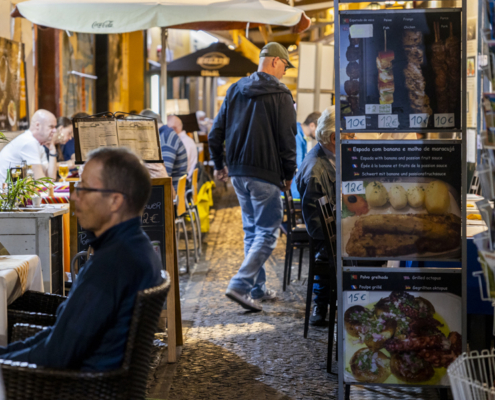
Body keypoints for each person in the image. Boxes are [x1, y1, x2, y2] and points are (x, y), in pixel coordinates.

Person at [0, 147, 162, 370]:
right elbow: (60, 337)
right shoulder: (136, 247)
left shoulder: (112, 265)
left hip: (71, 385)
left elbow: (56, 354)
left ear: (115, 201)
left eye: (83, 188)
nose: (75, 196)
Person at [209, 42, 297, 312]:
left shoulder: (234, 90)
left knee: (252, 230)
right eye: (284, 65)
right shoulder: (281, 94)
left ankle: (256, 289)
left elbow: (215, 133)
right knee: (268, 232)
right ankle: (240, 284)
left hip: (238, 174)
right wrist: (288, 174)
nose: (284, 72)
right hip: (265, 174)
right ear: (273, 62)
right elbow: (287, 139)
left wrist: (219, 164)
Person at [296, 106, 354, 326]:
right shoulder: (316, 170)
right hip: (328, 240)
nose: (353, 139)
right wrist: (347, 225)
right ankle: (342, 300)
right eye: (349, 135)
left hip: (338, 227)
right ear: (333, 137)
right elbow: (318, 228)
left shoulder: (330, 155)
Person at [0, 109, 57, 183]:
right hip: (7, 193)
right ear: (37, 125)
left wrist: (52, 150)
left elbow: (51, 179)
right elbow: (41, 183)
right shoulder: (29, 142)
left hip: (18, 192)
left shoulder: (37, 144)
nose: (55, 130)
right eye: (51, 127)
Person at [140, 109, 187, 190]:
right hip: (173, 191)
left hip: (171, 195)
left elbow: (164, 176)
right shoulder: (166, 134)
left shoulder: (166, 139)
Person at [291, 111, 321, 200]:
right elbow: (299, 165)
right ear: (312, 125)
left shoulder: (301, 135)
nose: (320, 133)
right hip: (293, 190)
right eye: (319, 130)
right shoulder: (297, 136)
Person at [168, 115, 198, 180]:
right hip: (187, 179)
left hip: (184, 182)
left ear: (174, 128)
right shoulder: (188, 140)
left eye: (168, 129)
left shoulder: (181, 143)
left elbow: (182, 168)